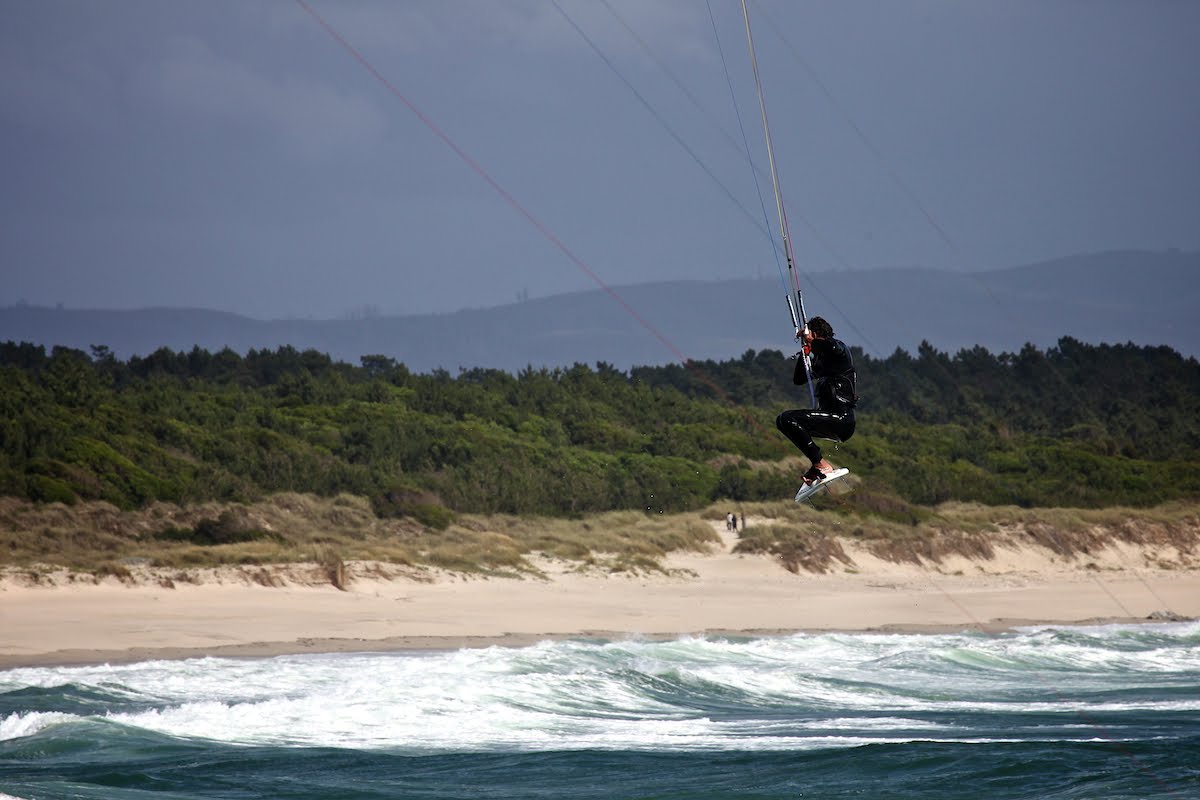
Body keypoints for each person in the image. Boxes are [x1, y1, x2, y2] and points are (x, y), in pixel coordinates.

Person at [775, 316, 857, 488]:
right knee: (783, 421)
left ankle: (820, 464)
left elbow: (829, 346)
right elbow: (799, 379)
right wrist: (804, 353)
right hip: (830, 418)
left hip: (842, 420)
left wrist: (812, 339)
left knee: (788, 418)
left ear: (817, 334)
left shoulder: (839, 350)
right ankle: (817, 466)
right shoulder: (823, 364)